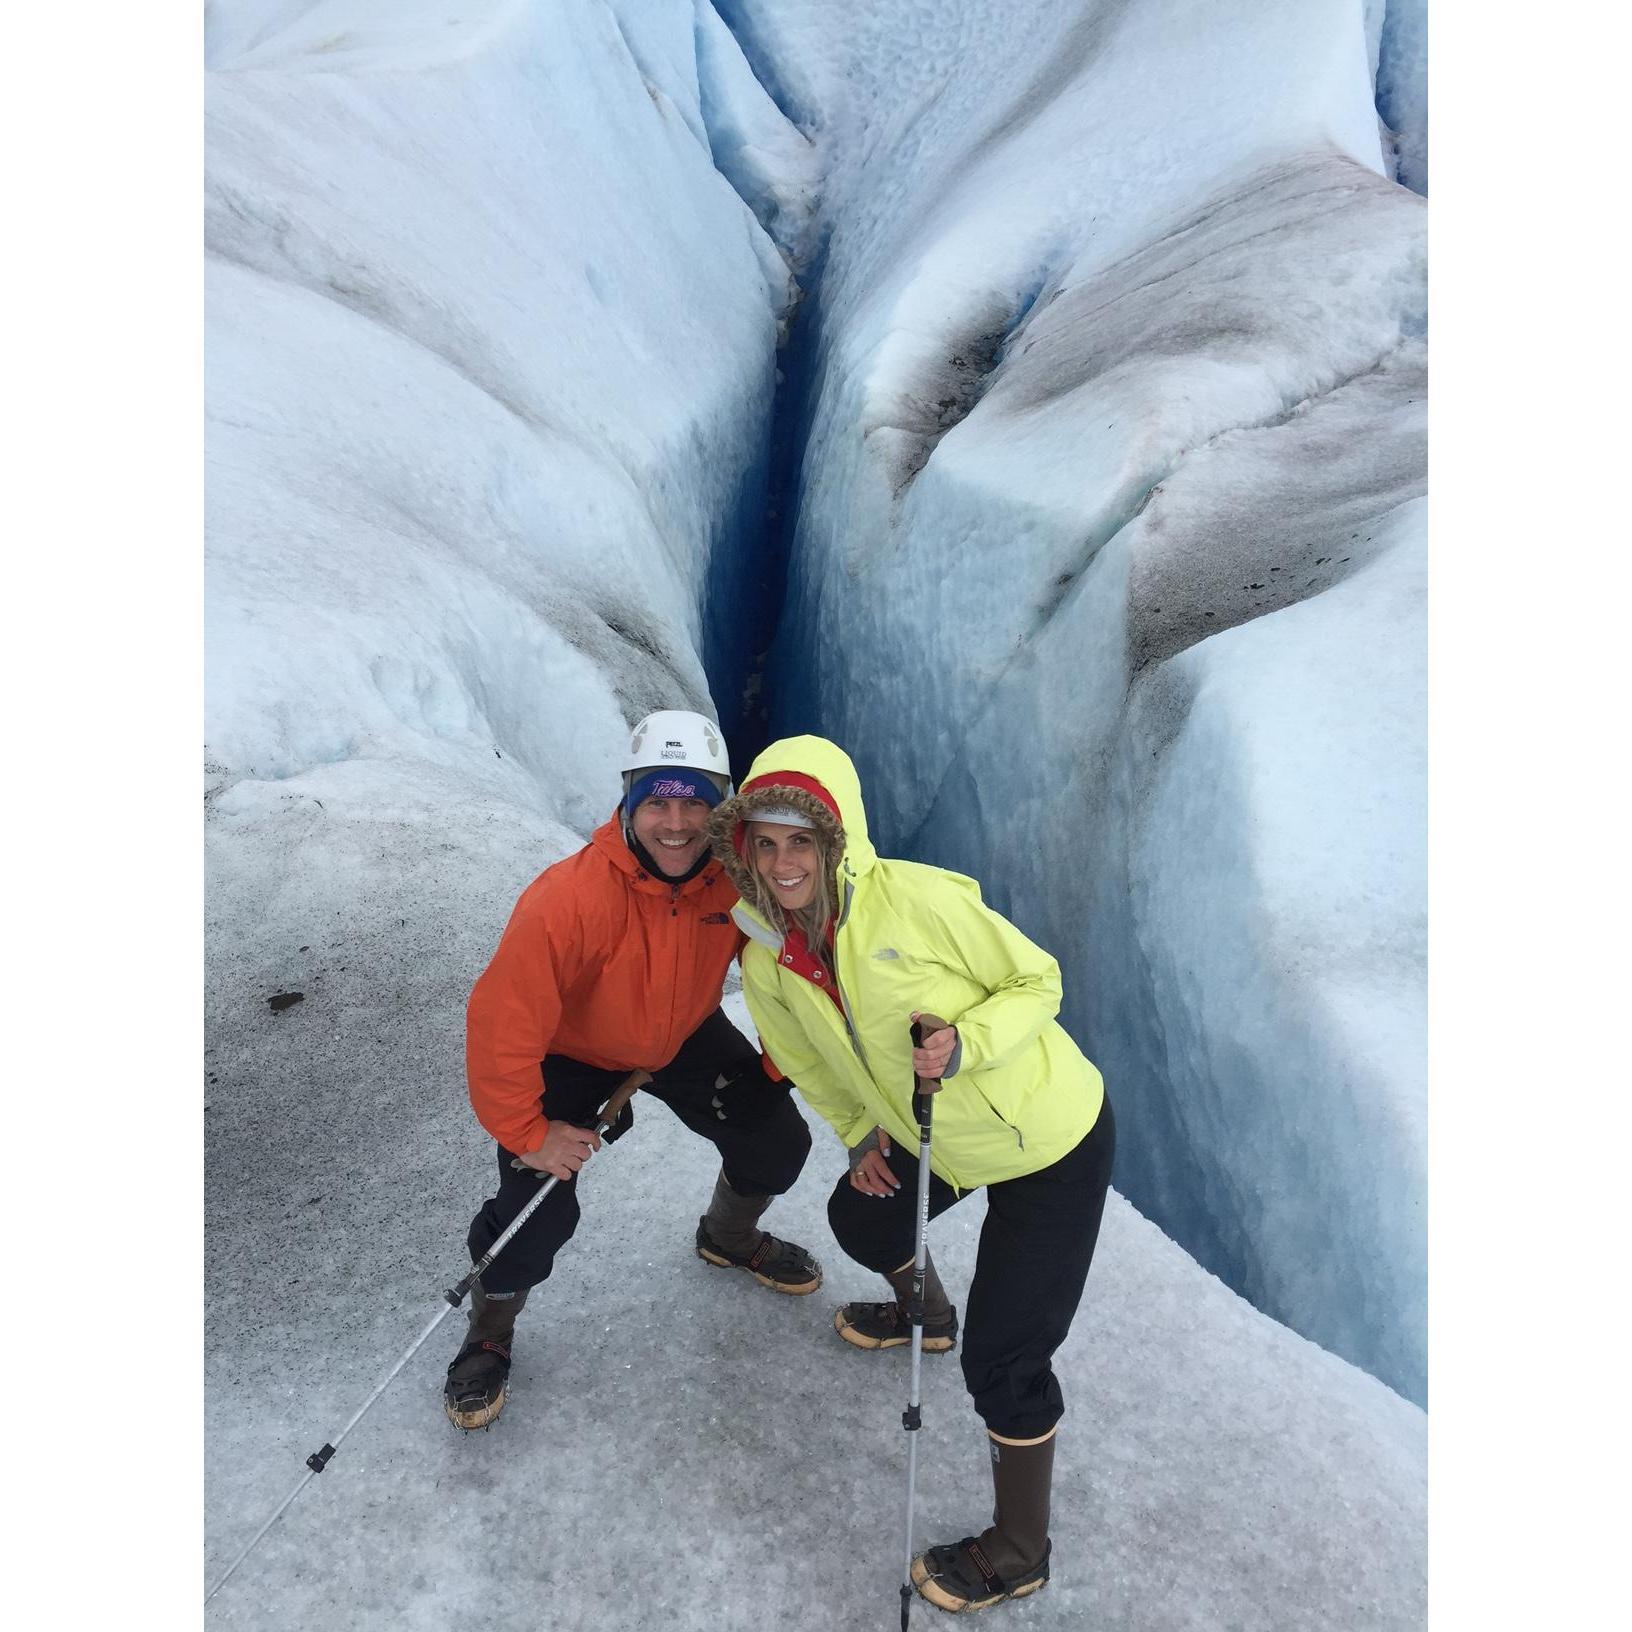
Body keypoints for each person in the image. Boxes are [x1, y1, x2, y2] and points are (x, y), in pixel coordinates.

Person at [707, 735, 1114, 1614]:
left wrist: (966, 1044)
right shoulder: (768, 957)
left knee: (1005, 1358)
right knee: (865, 1218)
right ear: (744, 850)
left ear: (835, 840)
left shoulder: (920, 904)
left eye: (800, 843)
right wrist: (861, 1139)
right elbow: (810, 1063)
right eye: (765, 843)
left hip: (1045, 1137)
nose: (783, 864)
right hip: (929, 1136)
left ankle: (1019, 1549)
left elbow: (1037, 980)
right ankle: (924, 1315)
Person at [445, 710, 821, 1431]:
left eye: (695, 804)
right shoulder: (569, 900)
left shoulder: (737, 884)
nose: (675, 823)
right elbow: (502, 1022)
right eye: (658, 801)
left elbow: (794, 969)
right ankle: (488, 1331)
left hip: (682, 1035)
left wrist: (783, 1060)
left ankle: (729, 1237)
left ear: (722, 811)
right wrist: (529, 1131)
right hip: (575, 1052)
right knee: (535, 1213)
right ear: (629, 803)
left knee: (776, 1142)